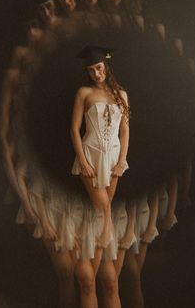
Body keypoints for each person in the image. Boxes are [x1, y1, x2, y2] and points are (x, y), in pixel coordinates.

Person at [70, 45, 130, 308]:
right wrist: (82, 160)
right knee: (104, 208)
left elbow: (125, 132)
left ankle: (90, 278)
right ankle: (93, 276)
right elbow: (73, 128)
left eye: (99, 68)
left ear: (106, 66)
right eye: (91, 70)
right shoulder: (84, 93)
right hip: (91, 156)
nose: (96, 73)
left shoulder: (121, 94)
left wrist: (121, 162)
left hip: (114, 157)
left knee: (101, 215)